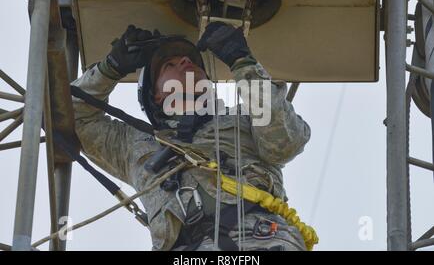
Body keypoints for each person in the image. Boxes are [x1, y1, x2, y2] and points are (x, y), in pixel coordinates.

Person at [71, 21, 315, 251]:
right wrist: (109, 68)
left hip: (260, 241)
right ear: (155, 95)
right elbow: (71, 116)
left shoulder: (246, 117)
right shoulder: (133, 144)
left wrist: (242, 61)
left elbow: (285, 144)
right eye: (170, 65)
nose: (186, 61)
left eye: (190, 60)